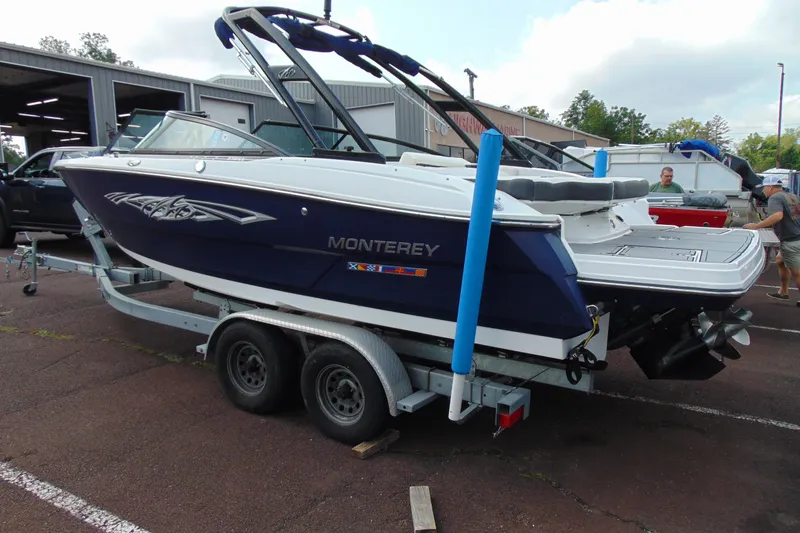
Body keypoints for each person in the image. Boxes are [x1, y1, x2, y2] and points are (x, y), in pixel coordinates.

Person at [743, 175, 800, 306]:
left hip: (791, 241)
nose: (763, 191)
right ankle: (783, 292)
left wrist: (757, 226)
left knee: (797, 272)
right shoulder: (792, 196)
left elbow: (777, 215)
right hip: (797, 236)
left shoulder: (774, 198)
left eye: (764, 188)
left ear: (771, 187)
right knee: (780, 260)